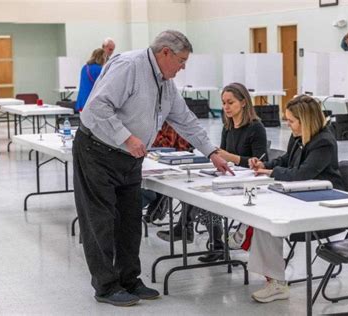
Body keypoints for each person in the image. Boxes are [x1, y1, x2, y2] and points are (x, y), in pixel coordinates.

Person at [73, 30, 232, 307]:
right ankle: (106, 286)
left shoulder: (165, 81)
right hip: (97, 151)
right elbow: (96, 107)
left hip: (130, 159)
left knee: (130, 221)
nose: (183, 67)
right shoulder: (129, 67)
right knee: (100, 220)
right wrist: (127, 137)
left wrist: (212, 152)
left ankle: (130, 279)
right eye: (181, 60)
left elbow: (184, 119)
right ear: (165, 53)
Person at [247, 95, 344, 303]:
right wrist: (265, 165)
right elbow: (286, 160)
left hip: (322, 203)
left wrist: (270, 172)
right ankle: (273, 278)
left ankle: (276, 282)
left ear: (305, 121)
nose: (288, 125)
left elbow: (302, 174)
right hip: (300, 195)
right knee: (262, 216)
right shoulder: (299, 136)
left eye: (291, 121)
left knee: (268, 220)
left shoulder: (324, 142)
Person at [156, 82, 268, 263]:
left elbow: (261, 163)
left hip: (250, 183)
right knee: (195, 188)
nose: (226, 107)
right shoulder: (228, 126)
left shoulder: (256, 128)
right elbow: (224, 155)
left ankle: (190, 230)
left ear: (243, 102)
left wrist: (229, 157)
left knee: (207, 198)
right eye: (223, 103)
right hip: (230, 178)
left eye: (230, 103)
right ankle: (202, 236)